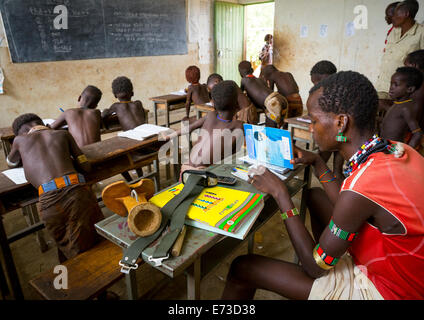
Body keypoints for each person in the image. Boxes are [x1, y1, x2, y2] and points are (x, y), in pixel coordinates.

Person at [221, 71, 424, 300]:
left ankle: (326, 263)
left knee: (243, 268)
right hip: (403, 268)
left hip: (389, 290)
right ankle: (329, 254)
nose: (310, 128)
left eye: (314, 121)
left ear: (341, 123)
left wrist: (280, 193)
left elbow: (314, 267)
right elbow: (354, 205)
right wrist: (318, 162)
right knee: (316, 195)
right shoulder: (397, 149)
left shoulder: (362, 187)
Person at [7, 113, 104, 263]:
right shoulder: (63, 134)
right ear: (44, 125)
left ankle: (76, 279)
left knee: (66, 243)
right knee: (93, 236)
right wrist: (67, 155)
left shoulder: (19, 140)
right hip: (77, 192)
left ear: (22, 132)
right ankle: (99, 274)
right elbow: (86, 166)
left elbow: (11, 163)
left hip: (49, 199)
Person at [165, 80, 244, 177]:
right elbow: (233, 161)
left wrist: (170, 136)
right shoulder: (238, 126)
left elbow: (189, 128)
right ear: (237, 104)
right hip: (201, 175)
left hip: (185, 171)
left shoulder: (210, 115)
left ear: (213, 104)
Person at [375, 0, 423, 111]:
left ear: (406, 14)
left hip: (402, 90)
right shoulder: (394, 31)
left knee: (396, 120)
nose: (393, 17)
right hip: (382, 86)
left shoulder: (421, 33)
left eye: (396, 14)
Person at [102, 76, 146, 181]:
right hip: (146, 142)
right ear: (132, 93)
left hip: (134, 147)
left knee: (115, 156)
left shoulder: (116, 106)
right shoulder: (138, 103)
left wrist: (104, 110)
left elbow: (104, 115)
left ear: (114, 95)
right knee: (133, 138)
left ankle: (131, 181)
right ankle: (140, 176)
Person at [309, 60, 344, 182]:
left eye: (320, 82)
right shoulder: (320, 92)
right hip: (338, 135)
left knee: (320, 166)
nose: (316, 86)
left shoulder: (338, 92)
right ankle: (336, 178)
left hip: (333, 135)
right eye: (314, 83)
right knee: (333, 161)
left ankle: (334, 187)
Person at [380, 67, 423, 151]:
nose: (391, 88)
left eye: (396, 84)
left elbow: (418, 134)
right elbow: (393, 123)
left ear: (410, 89)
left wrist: (406, 152)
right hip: (384, 146)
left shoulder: (405, 108)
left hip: (393, 150)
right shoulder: (397, 104)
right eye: (391, 83)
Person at [239, 61, 287, 128]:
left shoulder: (244, 80)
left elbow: (240, 94)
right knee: (279, 127)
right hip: (280, 98)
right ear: (251, 70)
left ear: (240, 73)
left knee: (270, 130)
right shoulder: (260, 80)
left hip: (272, 103)